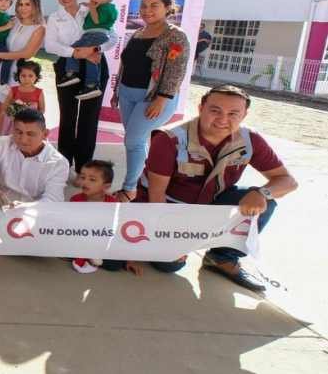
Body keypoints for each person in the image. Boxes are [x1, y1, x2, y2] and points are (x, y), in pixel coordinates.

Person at [118, 85, 298, 291]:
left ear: (244, 115)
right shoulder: (170, 139)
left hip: (210, 205)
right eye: (215, 110)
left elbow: (287, 181)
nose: (222, 119)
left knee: (265, 201)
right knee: (169, 264)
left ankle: (222, 258)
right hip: (170, 210)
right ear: (200, 108)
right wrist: (169, 238)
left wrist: (262, 193)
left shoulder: (250, 140)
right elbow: (156, 197)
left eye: (233, 113)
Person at [0, 109, 69, 284]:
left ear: (45, 134)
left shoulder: (58, 162)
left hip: (29, 216)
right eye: (18, 132)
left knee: (55, 242)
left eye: (31, 134)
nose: (23, 139)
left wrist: (26, 210)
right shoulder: (3, 143)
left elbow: (53, 200)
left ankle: (1, 237)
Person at [112, 0, 190, 200]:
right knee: (136, 142)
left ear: (167, 8)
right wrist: (117, 91)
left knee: (133, 141)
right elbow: (126, 63)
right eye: (144, 6)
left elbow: (176, 70)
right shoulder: (138, 32)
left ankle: (130, 189)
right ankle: (142, 183)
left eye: (154, 5)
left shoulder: (175, 35)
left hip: (153, 98)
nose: (147, 10)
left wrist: (162, 99)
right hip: (127, 94)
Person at [43, 0, 112, 174]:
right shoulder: (55, 17)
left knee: (89, 118)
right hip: (67, 67)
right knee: (68, 116)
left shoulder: (93, 9)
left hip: (95, 65)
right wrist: (75, 53)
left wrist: (94, 49)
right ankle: (63, 166)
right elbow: (50, 45)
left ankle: (84, 168)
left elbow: (112, 36)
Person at [0, 0, 45, 135]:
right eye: (20, 4)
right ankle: (2, 142)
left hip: (17, 76)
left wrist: (2, 55)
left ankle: (16, 144)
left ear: (35, 6)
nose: (23, 8)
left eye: (27, 4)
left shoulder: (39, 28)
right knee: (0, 111)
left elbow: (27, 53)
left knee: (14, 114)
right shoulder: (13, 21)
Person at [58, 0, 122, 101]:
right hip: (91, 36)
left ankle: (73, 74)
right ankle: (90, 84)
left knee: (75, 50)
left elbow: (97, 22)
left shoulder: (108, 8)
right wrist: (90, 7)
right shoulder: (96, 7)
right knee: (89, 59)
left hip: (96, 35)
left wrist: (92, 8)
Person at [68, 159, 116, 274]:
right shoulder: (75, 200)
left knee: (115, 264)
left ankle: (91, 257)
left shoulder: (113, 204)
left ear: (106, 186)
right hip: (80, 238)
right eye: (82, 177)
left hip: (101, 240)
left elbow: (116, 229)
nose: (85, 182)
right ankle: (89, 257)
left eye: (92, 180)